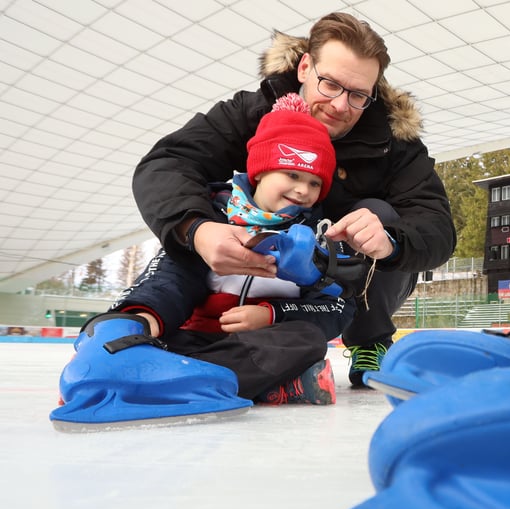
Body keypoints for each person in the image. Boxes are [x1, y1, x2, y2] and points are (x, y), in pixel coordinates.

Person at [131, 12, 456, 387]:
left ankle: (369, 341)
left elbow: (436, 227)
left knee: (379, 215)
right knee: (196, 208)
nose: (339, 105)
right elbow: (166, 163)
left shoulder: (394, 144)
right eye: (330, 84)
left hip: (330, 284)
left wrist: (391, 241)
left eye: (358, 95)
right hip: (252, 268)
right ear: (305, 67)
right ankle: (176, 327)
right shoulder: (251, 113)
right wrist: (198, 229)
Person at [100, 93, 355, 404]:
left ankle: (178, 382)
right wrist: (143, 315)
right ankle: (255, 385)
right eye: (292, 174)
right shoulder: (212, 218)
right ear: (260, 171)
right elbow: (171, 277)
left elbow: (337, 307)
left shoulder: (319, 236)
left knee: (306, 340)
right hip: (194, 340)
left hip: (258, 347)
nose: (303, 189)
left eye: (315, 183)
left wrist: (272, 313)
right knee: (149, 341)